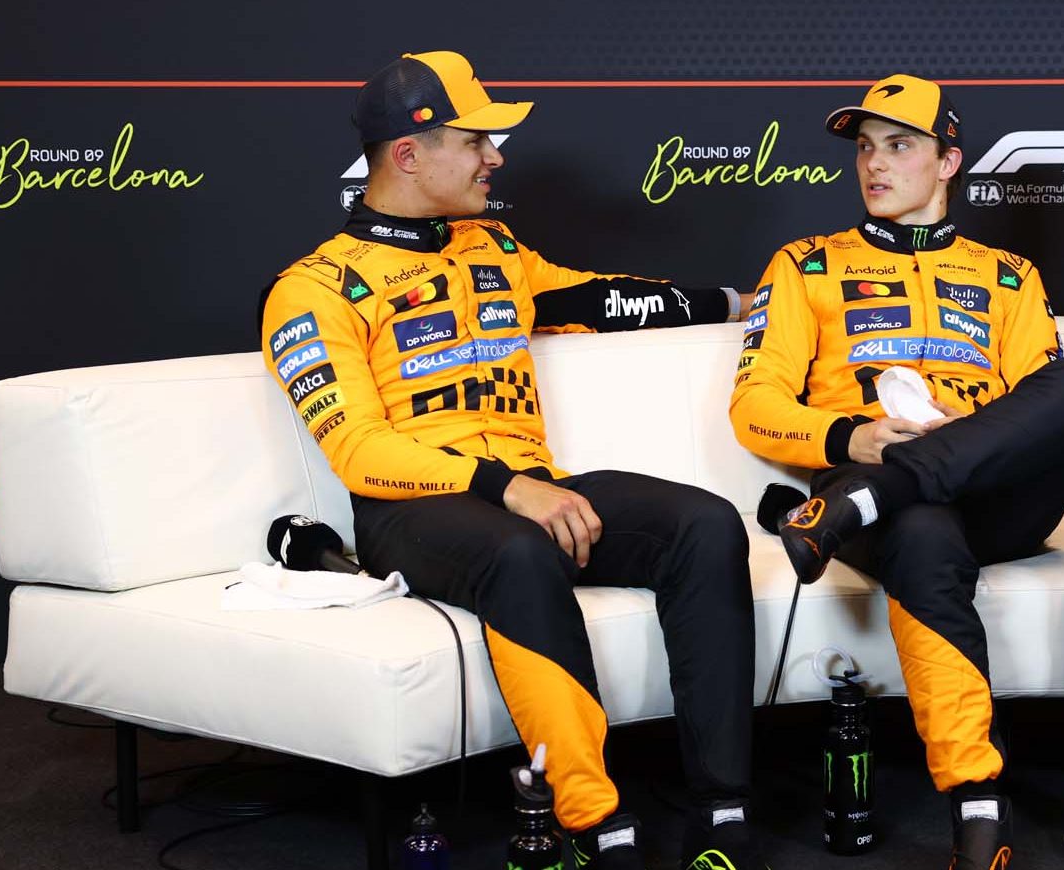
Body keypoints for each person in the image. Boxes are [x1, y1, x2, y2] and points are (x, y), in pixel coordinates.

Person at [258, 51, 763, 870]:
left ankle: (725, 813)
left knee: (704, 524)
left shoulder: (494, 246)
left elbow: (598, 300)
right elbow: (355, 449)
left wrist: (737, 303)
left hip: (531, 488)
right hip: (415, 514)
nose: (496, 156)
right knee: (521, 551)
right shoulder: (312, 287)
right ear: (410, 154)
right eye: (476, 139)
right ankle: (595, 822)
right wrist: (505, 486)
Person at [730, 75, 1064, 870]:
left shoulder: (1009, 274)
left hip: (988, 499)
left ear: (949, 162)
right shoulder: (806, 265)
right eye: (866, 148)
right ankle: (979, 808)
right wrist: (851, 438)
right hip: (881, 504)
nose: (875, 164)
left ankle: (873, 498)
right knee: (922, 527)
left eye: (900, 145)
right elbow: (754, 407)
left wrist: (923, 460)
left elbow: (1040, 416)